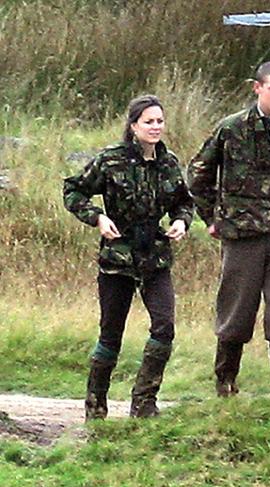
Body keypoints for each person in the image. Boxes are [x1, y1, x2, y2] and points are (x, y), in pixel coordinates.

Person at [63, 95, 194, 420]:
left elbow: (184, 202)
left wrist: (181, 222)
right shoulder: (111, 160)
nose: (155, 127)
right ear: (133, 126)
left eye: (160, 121)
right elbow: (73, 190)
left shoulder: (169, 163)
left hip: (156, 257)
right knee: (111, 334)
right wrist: (96, 217)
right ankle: (96, 407)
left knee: (164, 326)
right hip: (117, 259)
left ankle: (144, 403)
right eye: (148, 121)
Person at [188, 61, 270, 398]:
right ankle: (225, 382)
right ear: (257, 88)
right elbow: (198, 175)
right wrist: (211, 219)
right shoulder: (232, 128)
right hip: (242, 235)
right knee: (237, 310)